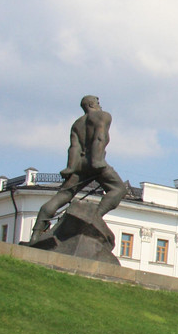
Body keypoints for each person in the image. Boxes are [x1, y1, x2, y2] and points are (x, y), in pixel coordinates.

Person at [31, 95, 126, 238]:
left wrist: (70, 167)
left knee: (62, 195)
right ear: (91, 104)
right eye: (98, 102)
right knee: (119, 189)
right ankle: (95, 217)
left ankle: (36, 234)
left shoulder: (77, 124)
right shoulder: (103, 116)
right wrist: (97, 160)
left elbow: (74, 147)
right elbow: (100, 136)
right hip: (95, 159)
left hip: (80, 163)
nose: (100, 105)